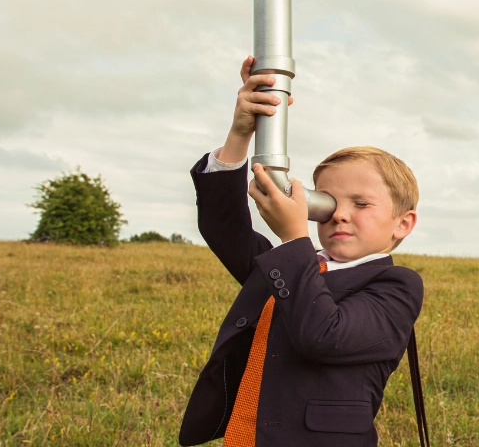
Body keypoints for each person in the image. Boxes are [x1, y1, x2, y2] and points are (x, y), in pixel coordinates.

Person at [179, 57, 425, 447]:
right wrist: (241, 133)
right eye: (327, 200)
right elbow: (224, 229)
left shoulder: (397, 285)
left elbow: (324, 334)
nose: (339, 214)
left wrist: (295, 238)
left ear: (402, 224)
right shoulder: (290, 267)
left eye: (361, 204)